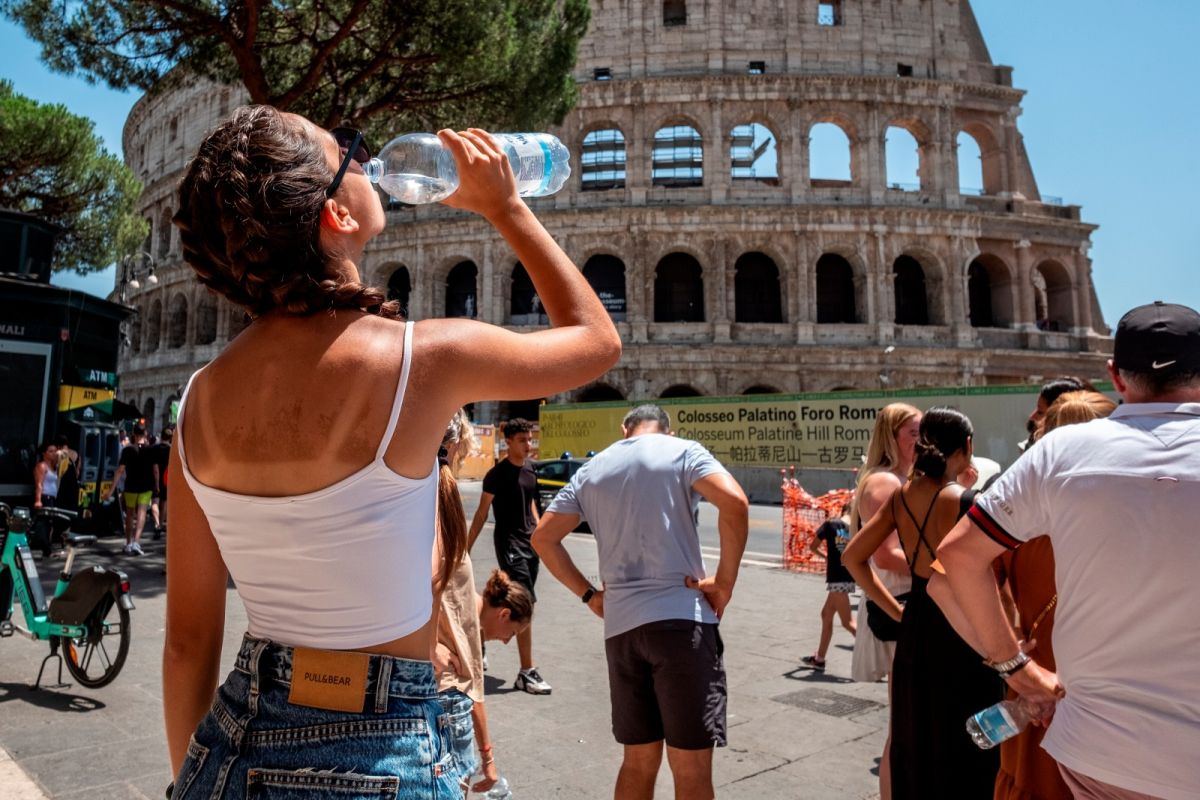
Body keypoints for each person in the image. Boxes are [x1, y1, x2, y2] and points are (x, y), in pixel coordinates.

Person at [162, 106, 621, 799]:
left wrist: (188, 781)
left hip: (231, 742)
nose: (365, 155)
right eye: (346, 150)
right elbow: (595, 341)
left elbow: (188, 643)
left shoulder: (198, 400)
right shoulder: (422, 359)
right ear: (335, 216)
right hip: (383, 745)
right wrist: (506, 207)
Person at [939, 301, 1200, 800]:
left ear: (1115, 376)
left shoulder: (1062, 450)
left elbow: (958, 556)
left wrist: (1014, 666)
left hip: (1103, 752)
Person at [532, 404, 749, 800]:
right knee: (691, 767)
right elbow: (734, 503)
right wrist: (725, 582)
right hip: (681, 622)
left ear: (624, 429)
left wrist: (589, 595)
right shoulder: (683, 451)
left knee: (637, 761)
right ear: (667, 429)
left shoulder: (592, 470)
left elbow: (543, 538)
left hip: (622, 631)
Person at [929, 390, 1116, 800]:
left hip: (1037, 691)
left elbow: (941, 584)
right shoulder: (1123, 515)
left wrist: (1011, 663)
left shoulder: (1016, 513)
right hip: (1106, 695)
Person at [843, 406, 1000, 799]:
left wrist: (895, 609)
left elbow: (852, 558)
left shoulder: (901, 497)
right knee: (967, 734)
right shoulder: (968, 501)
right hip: (963, 625)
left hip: (916, 622)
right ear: (966, 446)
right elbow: (984, 572)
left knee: (915, 730)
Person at [848, 402, 921, 800]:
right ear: (891, 436)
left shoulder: (899, 478)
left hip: (900, 601)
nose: (922, 440)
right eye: (913, 433)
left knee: (909, 718)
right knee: (904, 723)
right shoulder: (885, 483)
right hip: (898, 603)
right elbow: (885, 554)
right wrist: (944, 563)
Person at [467, 417, 550, 694]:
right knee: (525, 605)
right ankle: (527, 671)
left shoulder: (531, 471)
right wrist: (465, 548)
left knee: (505, 601)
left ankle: (478, 641)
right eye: (523, 440)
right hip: (510, 546)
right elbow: (481, 514)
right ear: (509, 442)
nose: (528, 444)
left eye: (530, 439)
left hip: (531, 546)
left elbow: (533, 507)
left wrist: (541, 537)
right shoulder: (496, 475)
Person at [800, 503, 857, 671]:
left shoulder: (830, 524)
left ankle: (874, 658)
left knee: (848, 623)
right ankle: (819, 658)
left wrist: (826, 558)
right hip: (847, 577)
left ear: (842, 510)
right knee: (826, 615)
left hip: (835, 578)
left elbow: (812, 546)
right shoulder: (855, 529)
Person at [103, 424, 158, 555]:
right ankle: (136, 542)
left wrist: (111, 490)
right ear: (145, 435)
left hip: (131, 486)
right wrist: (157, 486)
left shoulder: (127, 450)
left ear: (133, 434)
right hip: (146, 486)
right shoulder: (151, 450)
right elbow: (155, 470)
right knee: (142, 512)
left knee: (130, 514)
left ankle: (128, 542)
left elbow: (120, 470)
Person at [148, 426, 173, 539]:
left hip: (155, 480)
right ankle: (161, 524)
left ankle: (157, 524)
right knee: (164, 503)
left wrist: (156, 484)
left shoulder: (154, 449)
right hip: (167, 480)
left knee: (155, 502)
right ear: (170, 438)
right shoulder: (172, 450)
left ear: (161, 436)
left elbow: (155, 468)